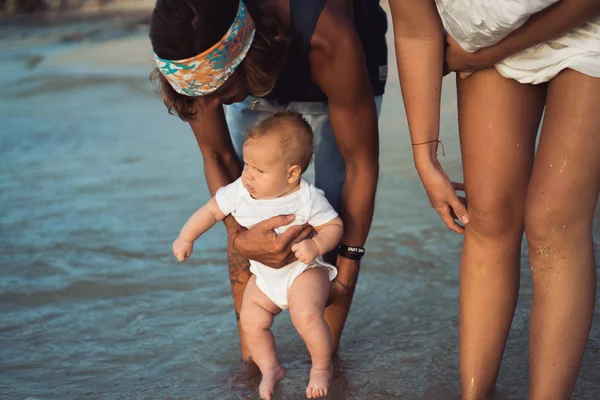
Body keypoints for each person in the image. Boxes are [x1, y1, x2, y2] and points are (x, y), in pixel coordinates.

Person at [149, 0, 387, 361]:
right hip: (245, 61)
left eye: (219, 93)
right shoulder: (189, 40)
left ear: (245, 55)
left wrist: (345, 273)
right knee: (254, 193)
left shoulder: (329, 39)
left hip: (332, 49)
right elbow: (219, 158)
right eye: (199, 95)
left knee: (330, 201)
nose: (210, 107)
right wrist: (239, 238)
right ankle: (253, 361)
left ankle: (325, 361)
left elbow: (360, 165)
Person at [389, 1, 600, 399]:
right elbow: (416, 29)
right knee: (488, 217)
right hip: (486, 34)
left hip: (588, 26)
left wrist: (488, 53)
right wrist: (424, 155)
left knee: (553, 223)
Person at [173, 112, 342, 399]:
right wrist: (186, 236)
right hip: (264, 276)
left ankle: (321, 367)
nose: (248, 175)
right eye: (247, 165)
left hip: (304, 271)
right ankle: (270, 368)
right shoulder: (240, 191)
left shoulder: (306, 196)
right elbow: (211, 211)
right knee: (251, 322)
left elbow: (334, 226)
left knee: (306, 316)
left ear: (292, 173)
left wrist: (316, 246)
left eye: (259, 170)